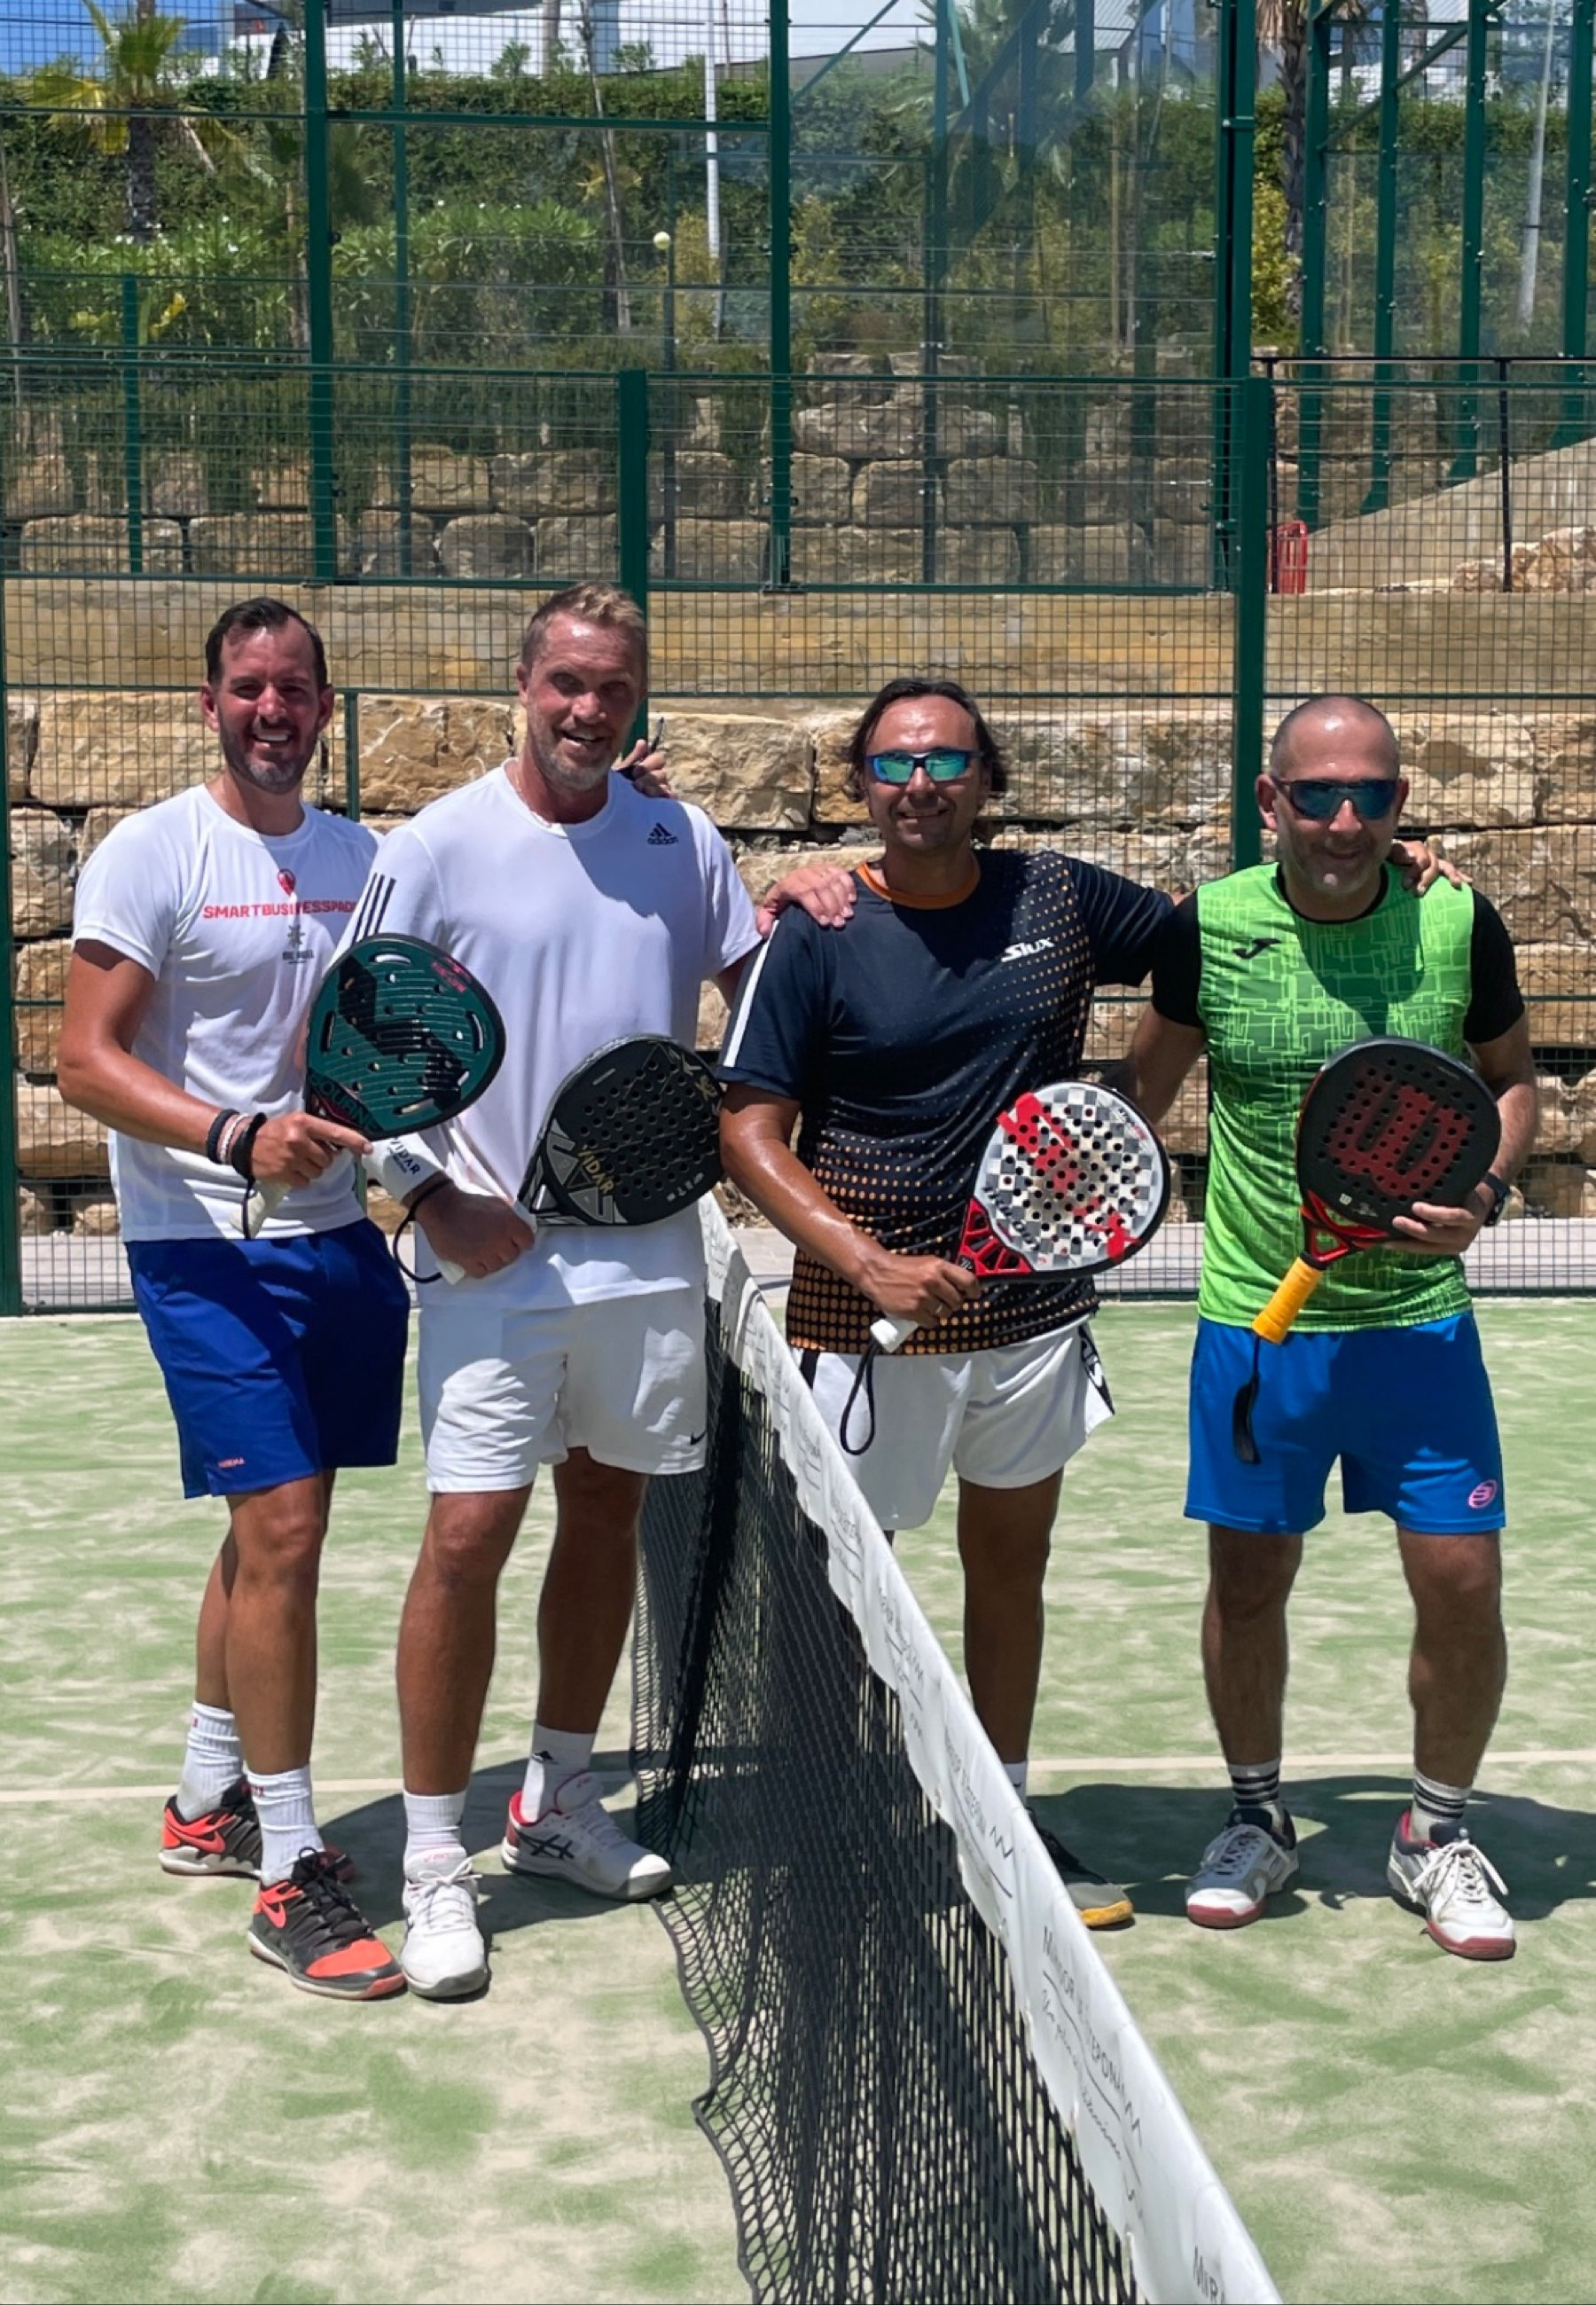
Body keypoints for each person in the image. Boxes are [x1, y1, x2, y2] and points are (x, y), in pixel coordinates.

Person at [356, 581, 836, 2002]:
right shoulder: (433, 849)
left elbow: (766, 994)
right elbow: (351, 1053)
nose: (587, 708)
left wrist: (816, 900)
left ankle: (558, 1800)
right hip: (486, 1263)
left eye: (613, 688)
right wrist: (432, 1199)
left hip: (647, 1255)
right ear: (523, 683)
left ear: (638, 702)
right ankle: (433, 1860)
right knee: (466, 1539)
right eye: (567, 682)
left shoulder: (680, 841)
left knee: (609, 1512)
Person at [716, 676, 1182, 1930]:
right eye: (893, 764)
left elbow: (1211, 947)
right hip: (862, 1323)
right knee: (840, 1586)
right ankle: (833, 1815)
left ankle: (1003, 1813)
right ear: (862, 784)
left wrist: (1122, 1114)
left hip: (1033, 1316)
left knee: (1010, 1569)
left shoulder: (1062, 899)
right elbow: (748, 1130)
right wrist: (866, 1261)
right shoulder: (815, 931)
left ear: (987, 780)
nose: (918, 784)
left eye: (945, 762)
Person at [1119, 694, 1537, 1961]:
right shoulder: (1209, 928)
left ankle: (1434, 1834)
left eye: (1372, 795)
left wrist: (1485, 1195)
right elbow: (1141, 1093)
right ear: (1271, 801)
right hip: (1260, 1325)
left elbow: (1512, 1083)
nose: (1345, 820)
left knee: (1462, 1583)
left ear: (1402, 803)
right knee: (1248, 1582)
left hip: (1419, 1327)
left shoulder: (1458, 918)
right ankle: (1257, 1818)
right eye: (1317, 794)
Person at [59, 597, 413, 2001]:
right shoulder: (152, 854)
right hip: (199, 1241)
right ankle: (290, 1870)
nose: (274, 709)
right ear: (209, 704)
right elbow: (85, 1059)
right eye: (248, 688)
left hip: (335, 1240)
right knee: (284, 1528)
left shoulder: (365, 862)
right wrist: (230, 1135)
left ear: (326, 706)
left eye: (295, 688)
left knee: (263, 1528)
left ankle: (208, 1800)